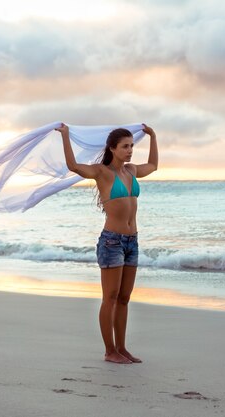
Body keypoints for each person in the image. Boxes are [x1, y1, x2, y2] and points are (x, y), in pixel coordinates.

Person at [56, 123, 158, 364]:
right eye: (125, 146)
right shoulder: (101, 173)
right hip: (112, 241)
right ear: (112, 148)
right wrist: (66, 136)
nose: (130, 150)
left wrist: (153, 137)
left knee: (124, 299)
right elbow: (73, 166)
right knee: (110, 298)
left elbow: (153, 166)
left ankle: (122, 348)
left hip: (132, 242)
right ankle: (109, 350)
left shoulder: (131, 171)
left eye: (132, 146)